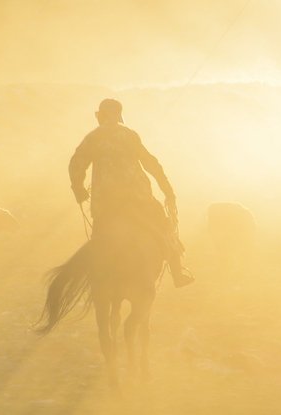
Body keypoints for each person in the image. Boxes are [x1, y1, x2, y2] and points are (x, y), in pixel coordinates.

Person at [69, 98, 194, 287]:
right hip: (139, 197)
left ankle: (94, 279)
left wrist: (78, 189)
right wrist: (167, 190)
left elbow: (76, 163)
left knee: (98, 239)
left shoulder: (93, 137)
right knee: (164, 225)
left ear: (100, 116)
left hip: (105, 202)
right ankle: (177, 272)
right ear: (119, 115)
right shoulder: (129, 135)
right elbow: (150, 163)